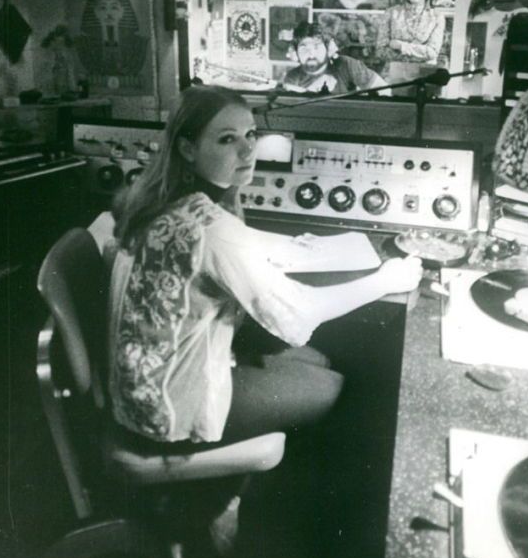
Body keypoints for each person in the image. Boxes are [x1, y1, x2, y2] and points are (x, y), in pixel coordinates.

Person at [108, 85, 421, 449]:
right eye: (227, 139)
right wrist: (384, 281)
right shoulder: (212, 229)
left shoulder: (166, 200)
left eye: (251, 134)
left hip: (138, 392)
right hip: (169, 409)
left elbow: (244, 246)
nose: (247, 149)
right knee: (334, 384)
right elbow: (299, 315)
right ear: (188, 148)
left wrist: (313, 247)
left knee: (317, 362)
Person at [376, 0, 445, 85]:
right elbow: (380, 51)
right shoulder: (391, 13)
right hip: (392, 77)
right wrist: (418, 53)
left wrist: (401, 46)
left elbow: (432, 52)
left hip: (424, 78)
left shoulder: (437, 17)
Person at [282, 20, 389, 95]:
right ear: (296, 53)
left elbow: (384, 90)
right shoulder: (292, 78)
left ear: (328, 48)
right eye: (304, 49)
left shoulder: (347, 64)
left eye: (316, 46)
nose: (311, 54)